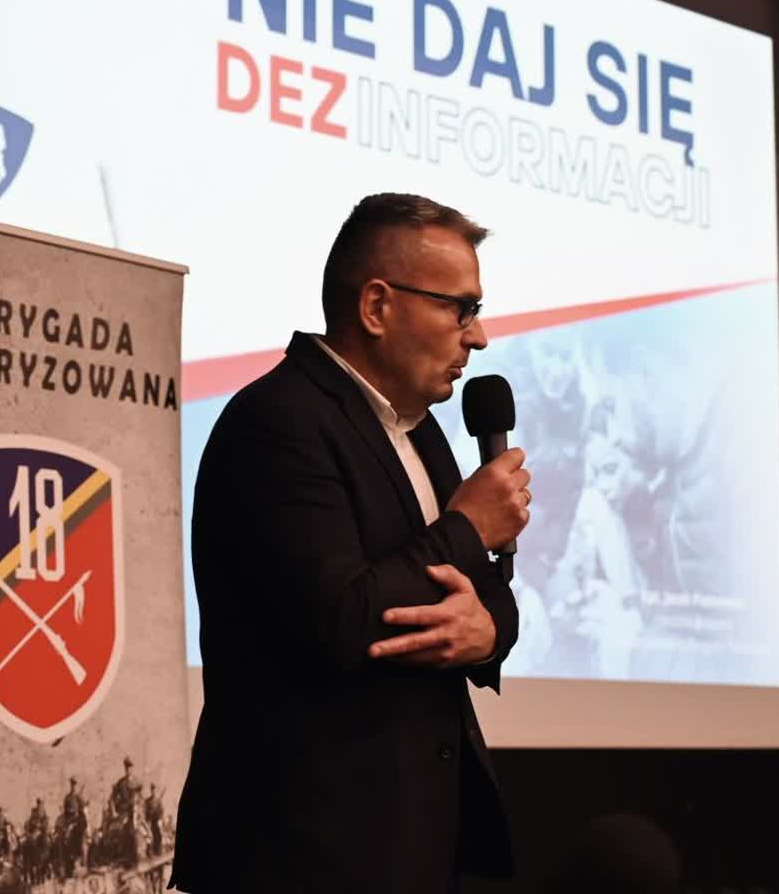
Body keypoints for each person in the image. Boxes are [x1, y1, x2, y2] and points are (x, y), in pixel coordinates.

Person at [170, 194, 530, 893]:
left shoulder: (419, 430)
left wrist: (487, 633)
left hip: (417, 849)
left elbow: (488, 595)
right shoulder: (277, 424)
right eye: (459, 309)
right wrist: (466, 529)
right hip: (303, 856)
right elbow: (341, 617)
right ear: (376, 306)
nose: (479, 336)